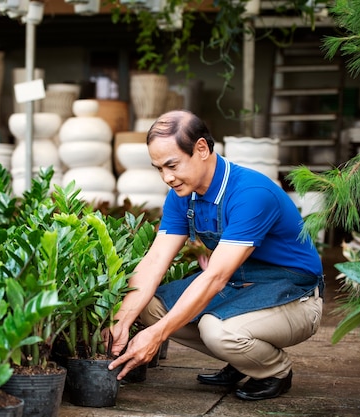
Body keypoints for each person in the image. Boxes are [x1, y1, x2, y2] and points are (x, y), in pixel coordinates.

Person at [107, 110, 324, 401]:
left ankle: (274, 370)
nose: (166, 177)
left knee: (217, 330)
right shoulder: (182, 195)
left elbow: (216, 277)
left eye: (172, 165)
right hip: (243, 284)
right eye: (158, 168)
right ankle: (244, 359)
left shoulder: (251, 193)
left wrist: (157, 336)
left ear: (201, 149)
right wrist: (120, 321)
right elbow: (155, 261)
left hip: (296, 293)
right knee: (151, 307)